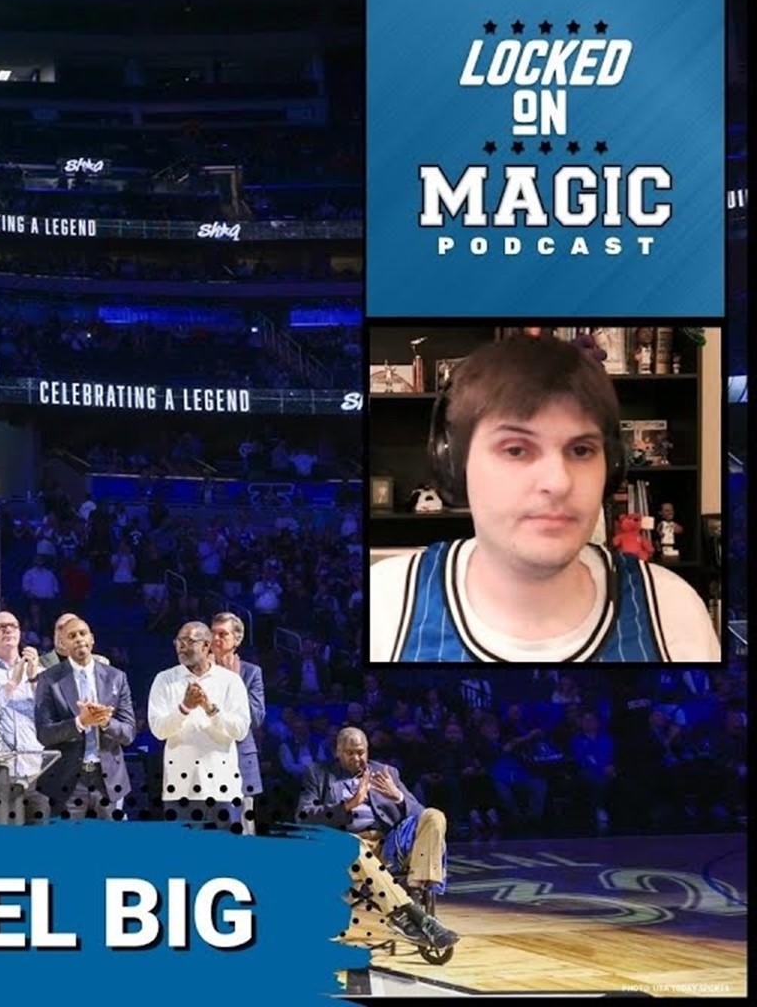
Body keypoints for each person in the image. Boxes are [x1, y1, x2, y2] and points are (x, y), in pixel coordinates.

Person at [371, 334, 718, 661]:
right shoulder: (381, 605)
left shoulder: (674, 611)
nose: (558, 482)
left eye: (581, 450)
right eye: (516, 449)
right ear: (454, 462)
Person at [299, 727, 460, 950]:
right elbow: (303, 816)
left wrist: (399, 797)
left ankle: (415, 888)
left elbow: (420, 816)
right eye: (350, 753)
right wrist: (348, 805)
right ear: (338, 751)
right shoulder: (318, 773)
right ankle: (411, 914)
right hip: (349, 848)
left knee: (434, 816)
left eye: (361, 752)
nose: (357, 758)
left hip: (390, 845)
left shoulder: (386, 772)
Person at [146, 622, 250, 829]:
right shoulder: (164, 679)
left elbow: (240, 730)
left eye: (189, 641)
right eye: (179, 641)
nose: (182, 646)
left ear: (206, 645)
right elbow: (158, 730)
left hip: (223, 787)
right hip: (180, 789)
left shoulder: (230, 681)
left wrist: (210, 709)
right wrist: (185, 707)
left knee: (226, 857)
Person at [32, 613, 134, 821]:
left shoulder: (116, 677)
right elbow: (44, 734)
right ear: (62, 644)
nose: (79, 638)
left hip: (108, 779)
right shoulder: (49, 679)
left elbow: (129, 732)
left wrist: (105, 722)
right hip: (67, 779)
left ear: (92, 638)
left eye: (83, 633)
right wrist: (80, 722)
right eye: (72, 636)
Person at [0, 611, 49, 819]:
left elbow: (49, 716)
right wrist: (13, 683)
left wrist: (34, 680)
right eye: (1, 627)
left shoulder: (40, 672)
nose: (8, 629)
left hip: (37, 771)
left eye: (13, 626)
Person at [210, 612, 265, 833]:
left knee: (241, 828)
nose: (215, 639)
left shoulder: (251, 673)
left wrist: (234, 683)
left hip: (240, 760)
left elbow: (256, 718)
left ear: (237, 639)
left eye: (222, 634)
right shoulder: (197, 671)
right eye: (212, 633)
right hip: (205, 758)